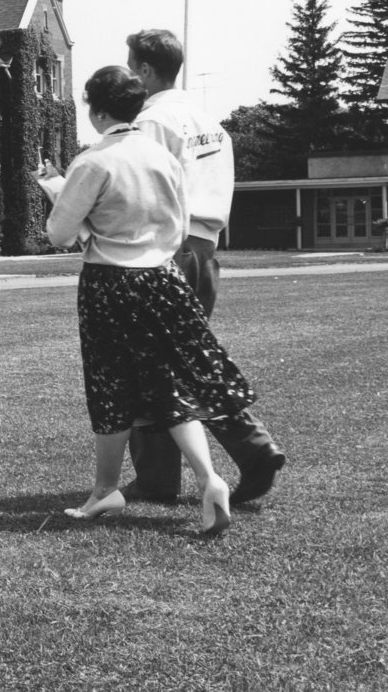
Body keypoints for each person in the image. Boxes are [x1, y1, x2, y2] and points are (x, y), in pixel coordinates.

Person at [39, 65, 257, 536]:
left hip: (112, 283)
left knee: (110, 387)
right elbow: (179, 228)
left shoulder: (95, 160)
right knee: (168, 387)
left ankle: (104, 490)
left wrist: (70, 208)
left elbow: (58, 233)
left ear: (95, 110)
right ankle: (209, 478)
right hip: (164, 279)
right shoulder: (164, 158)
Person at [124, 29, 286, 506]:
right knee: (180, 360)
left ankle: (247, 450)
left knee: (153, 363)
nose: (131, 77)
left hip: (167, 247)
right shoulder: (208, 122)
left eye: (132, 67)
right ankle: (165, 475)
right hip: (203, 249)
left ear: (147, 70)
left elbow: (143, 192)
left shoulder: (152, 121)